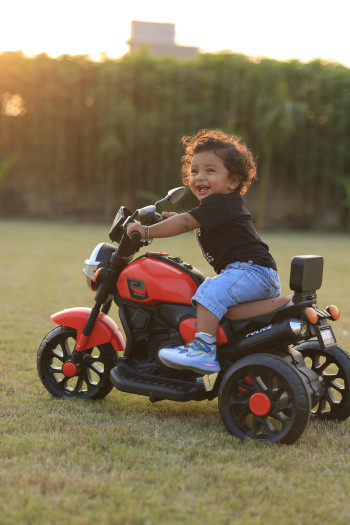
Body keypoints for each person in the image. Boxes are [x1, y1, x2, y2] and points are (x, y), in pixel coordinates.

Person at [126, 129, 280, 374]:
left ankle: (203, 350)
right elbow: (192, 221)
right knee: (216, 294)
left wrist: (146, 231)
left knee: (207, 291)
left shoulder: (220, 203)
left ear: (233, 181)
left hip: (249, 272)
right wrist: (176, 219)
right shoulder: (220, 206)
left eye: (210, 170)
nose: (199, 177)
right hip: (258, 274)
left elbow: (188, 222)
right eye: (194, 170)